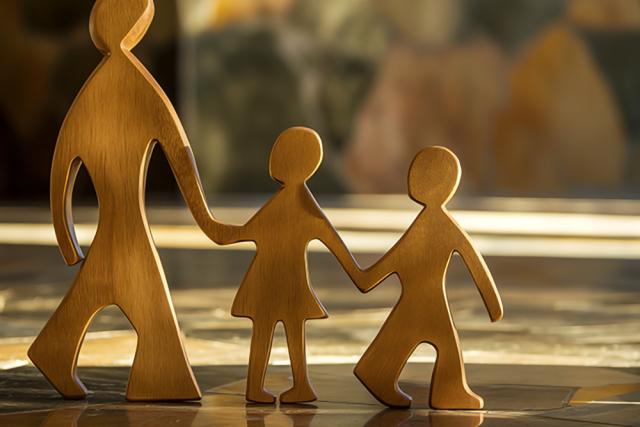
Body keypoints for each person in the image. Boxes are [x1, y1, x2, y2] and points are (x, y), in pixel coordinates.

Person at [28, 0, 217, 401]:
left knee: (96, 291)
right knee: (152, 311)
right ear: (137, 27)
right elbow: (181, 156)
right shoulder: (140, 87)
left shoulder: (90, 93)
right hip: (129, 228)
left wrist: (67, 238)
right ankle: (159, 378)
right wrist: (205, 219)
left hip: (115, 226)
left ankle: (55, 352)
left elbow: (62, 167)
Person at [209, 127, 360, 403]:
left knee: (267, 333)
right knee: (287, 332)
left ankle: (269, 387)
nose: (273, 161)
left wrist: (210, 224)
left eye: (279, 155)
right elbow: (336, 245)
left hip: (270, 282)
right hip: (287, 284)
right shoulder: (304, 207)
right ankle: (294, 386)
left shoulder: (288, 206)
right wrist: (361, 276)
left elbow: (243, 233)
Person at [353, 146, 503, 409]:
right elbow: (474, 265)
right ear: (450, 186)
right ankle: (444, 390)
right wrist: (492, 304)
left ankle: (380, 374)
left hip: (420, 300)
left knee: (412, 341)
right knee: (444, 345)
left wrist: (365, 277)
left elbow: (393, 261)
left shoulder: (427, 226)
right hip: (429, 300)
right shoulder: (439, 226)